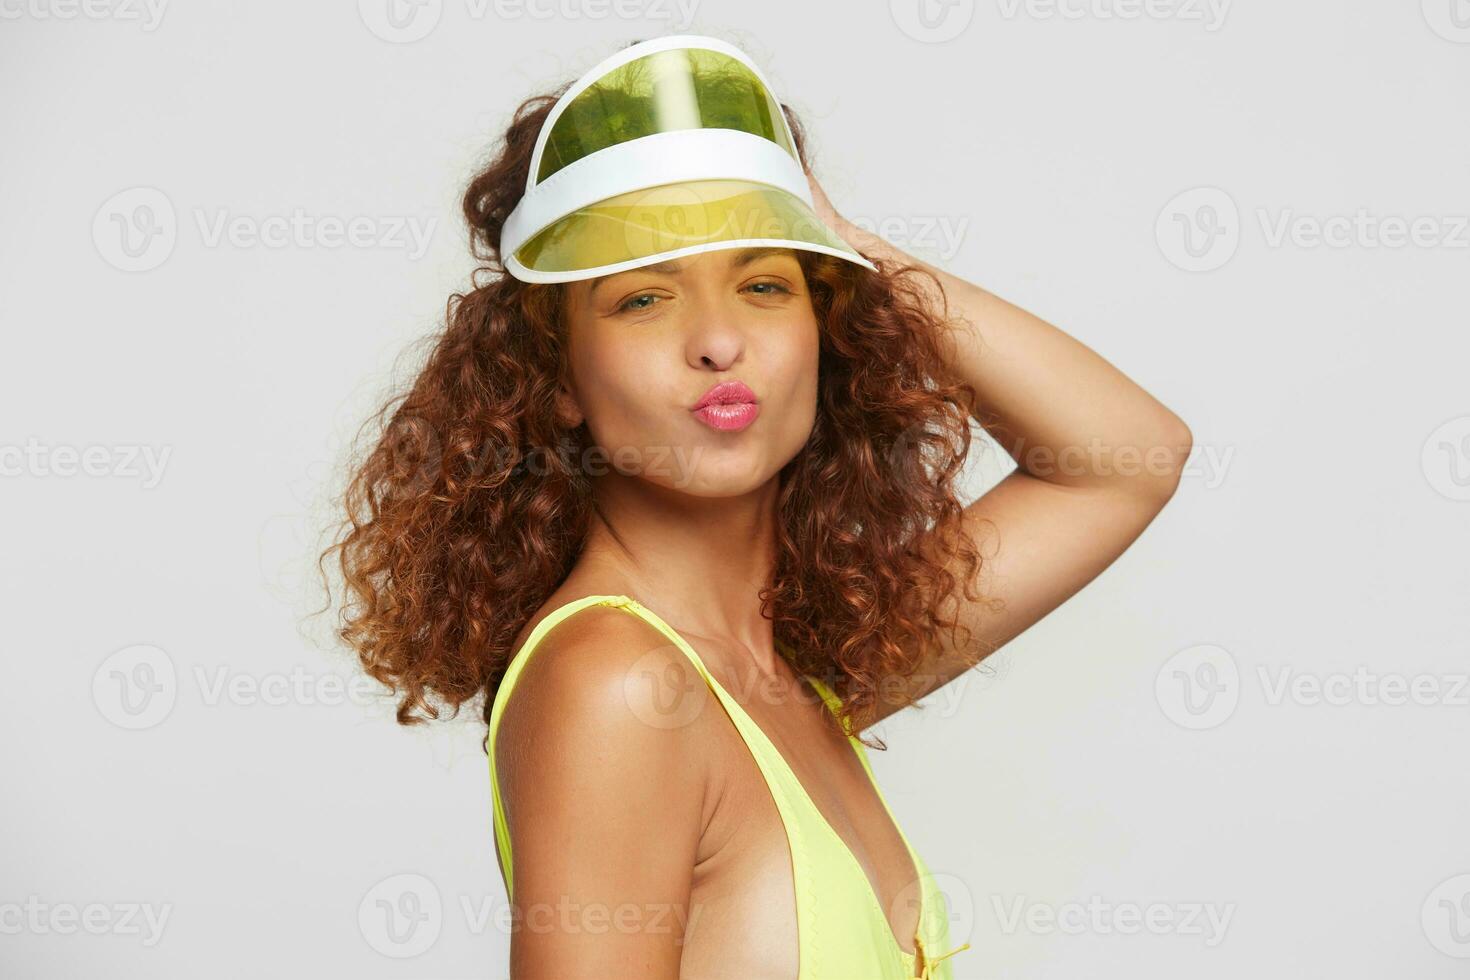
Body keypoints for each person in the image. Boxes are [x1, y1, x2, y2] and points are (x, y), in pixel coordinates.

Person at [323, 34, 1190, 980]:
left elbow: (1121, 461)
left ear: (825, 329)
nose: (717, 341)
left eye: (765, 284)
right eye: (643, 299)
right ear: (556, 375)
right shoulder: (619, 686)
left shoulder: (795, 668)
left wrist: (852, 246)